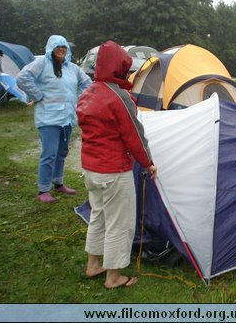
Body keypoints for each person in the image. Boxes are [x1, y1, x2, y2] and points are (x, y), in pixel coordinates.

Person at [76, 40, 157, 290]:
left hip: (91, 169)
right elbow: (134, 135)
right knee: (119, 223)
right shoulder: (119, 96)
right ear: (120, 67)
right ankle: (113, 277)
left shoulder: (89, 92)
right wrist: (148, 164)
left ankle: (93, 264)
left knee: (98, 216)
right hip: (113, 170)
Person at [16, 35, 91, 203]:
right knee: (49, 153)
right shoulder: (42, 63)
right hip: (48, 117)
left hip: (67, 117)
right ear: (51, 48)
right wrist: (38, 95)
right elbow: (22, 78)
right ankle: (43, 189)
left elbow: (87, 83)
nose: (61, 49)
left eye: (64, 46)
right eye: (58, 46)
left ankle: (58, 183)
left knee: (62, 152)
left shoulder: (72, 68)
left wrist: (78, 99)